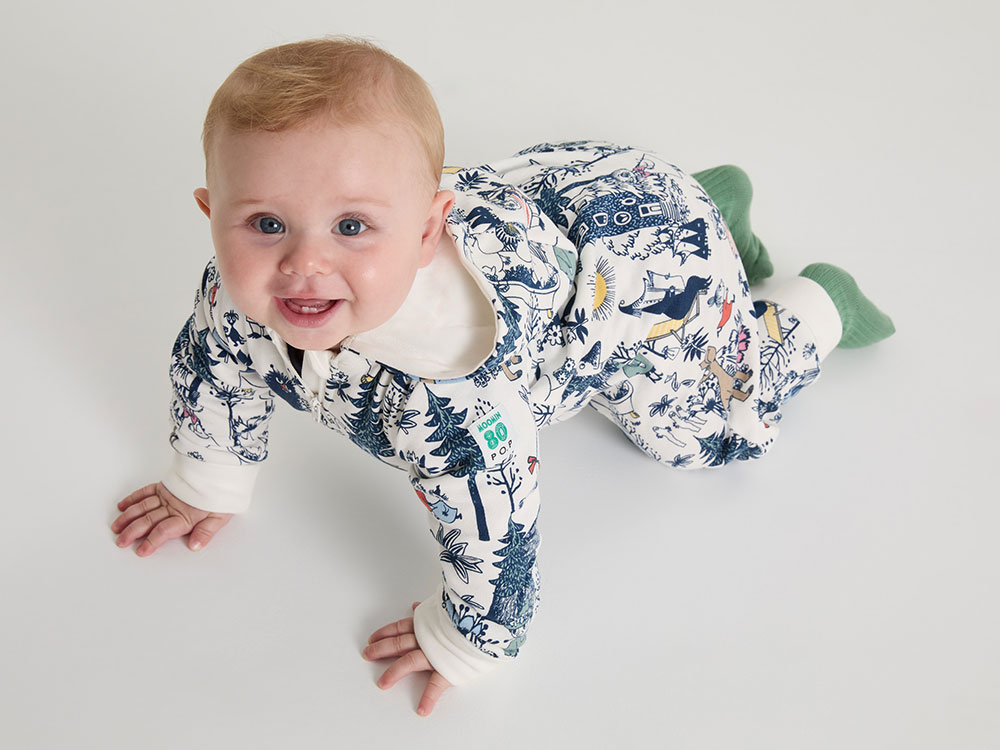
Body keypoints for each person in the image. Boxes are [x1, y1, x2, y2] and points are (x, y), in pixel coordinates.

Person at [110, 37, 895, 716]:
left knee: (703, 435)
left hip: (641, 275)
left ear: (427, 230)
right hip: (582, 189)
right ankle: (710, 205)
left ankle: (810, 301)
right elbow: (212, 366)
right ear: (211, 212)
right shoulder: (236, 295)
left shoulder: (449, 397)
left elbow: (499, 522)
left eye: (353, 227)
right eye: (266, 223)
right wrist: (205, 478)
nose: (303, 265)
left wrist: (469, 641)